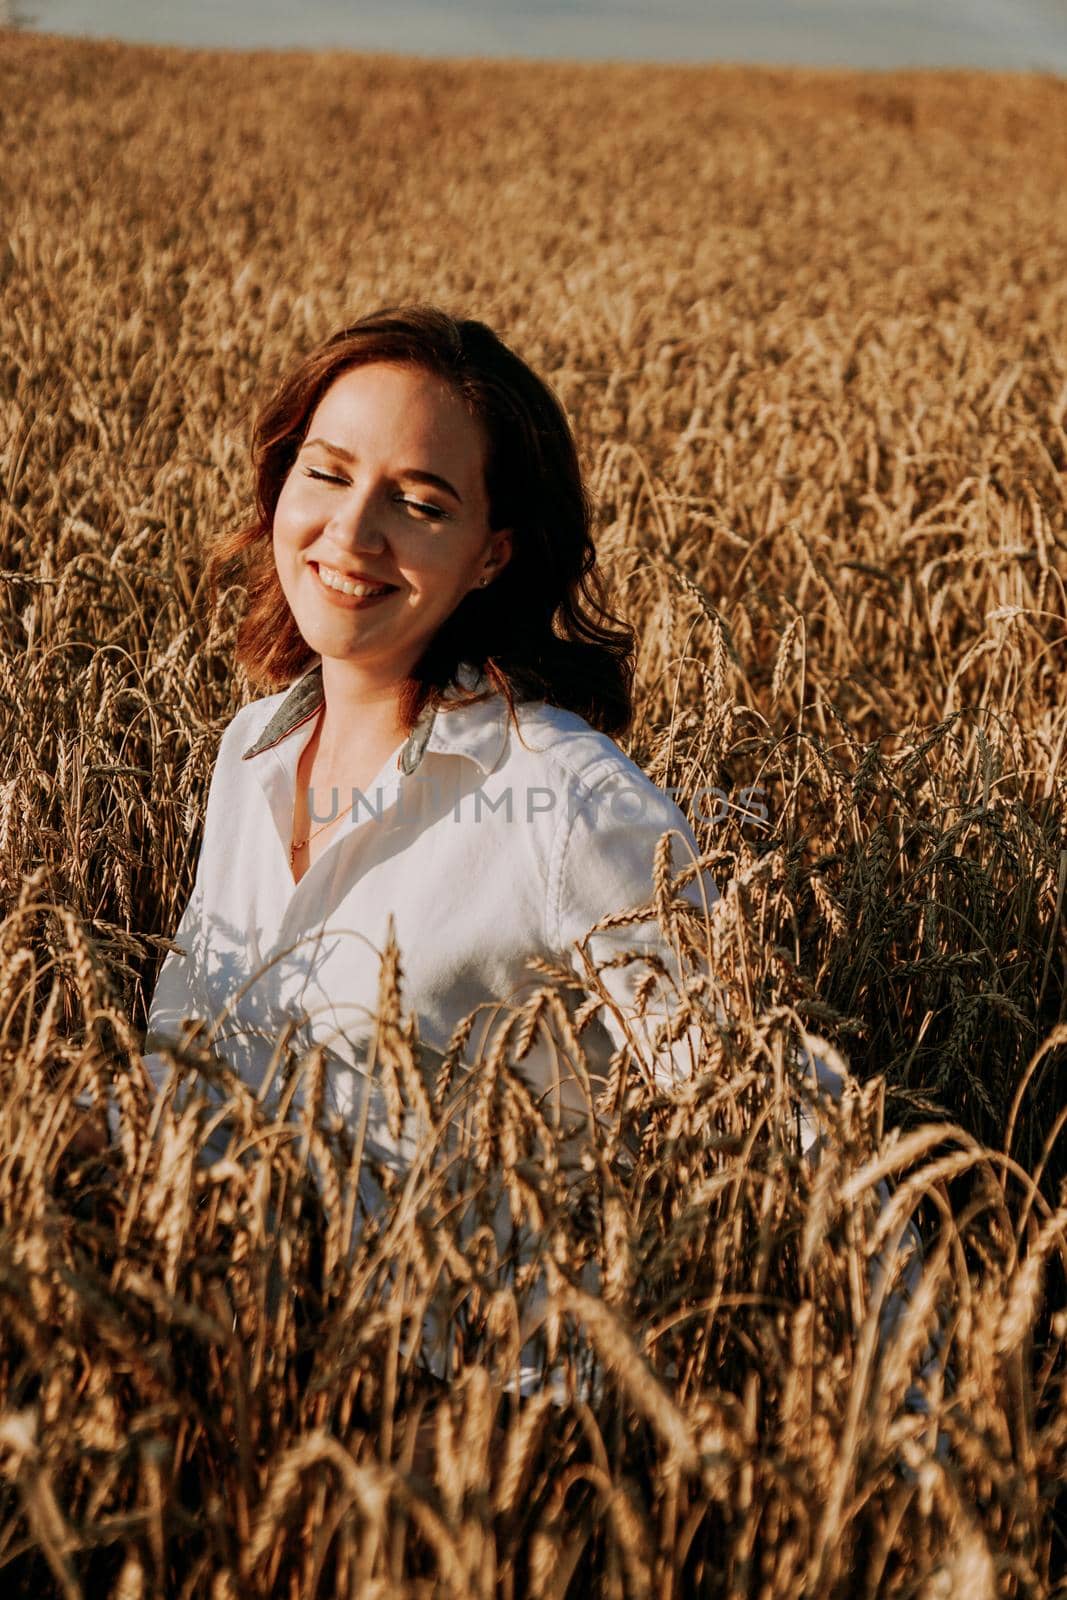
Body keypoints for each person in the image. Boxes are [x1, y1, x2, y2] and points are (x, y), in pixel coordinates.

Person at [135, 304, 714, 1171]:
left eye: (419, 503)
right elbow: (179, 1071)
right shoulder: (252, 751)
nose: (352, 533)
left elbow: (777, 1127)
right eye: (327, 474)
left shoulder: (571, 811)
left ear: (492, 555)